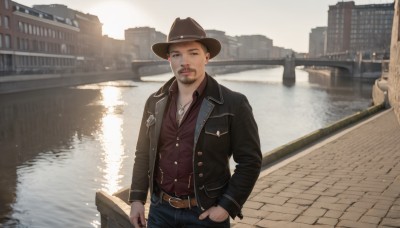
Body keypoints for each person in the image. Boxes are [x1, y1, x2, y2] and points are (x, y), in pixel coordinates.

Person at [128, 17, 262, 227]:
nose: (185, 62)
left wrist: (226, 206)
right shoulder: (154, 102)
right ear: (169, 60)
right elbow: (143, 154)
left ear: (206, 57)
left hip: (205, 216)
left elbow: (250, 161)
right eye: (176, 55)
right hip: (159, 212)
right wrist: (137, 199)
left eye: (193, 53)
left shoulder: (233, 103)